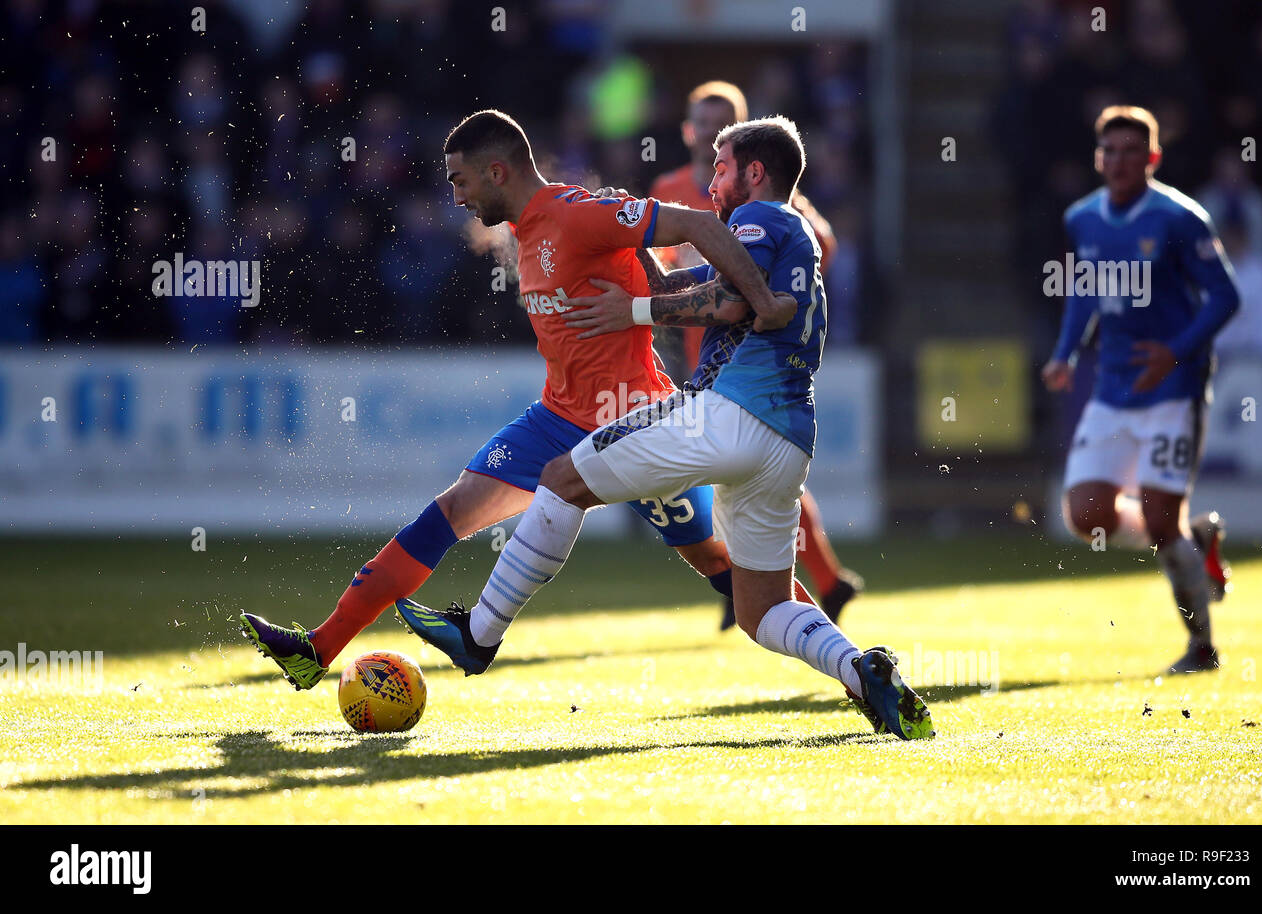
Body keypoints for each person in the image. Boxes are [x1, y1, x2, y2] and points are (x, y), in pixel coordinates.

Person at [397, 116, 935, 740]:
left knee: (561, 477)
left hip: (728, 415)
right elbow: (707, 285)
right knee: (761, 609)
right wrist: (630, 250)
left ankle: (477, 635)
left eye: (723, 166)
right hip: (786, 442)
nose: (712, 179)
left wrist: (631, 308)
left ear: (756, 174)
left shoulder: (759, 220)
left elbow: (731, 303)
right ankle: (861, 669)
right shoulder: (793, 234)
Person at [239, 109, 807, 690]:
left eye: (461, 181)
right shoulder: (527, 228)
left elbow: (698, 226)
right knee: (450, 513)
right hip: (556, 418)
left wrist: (762, 300)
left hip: (632, 419)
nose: (456, 196)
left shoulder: (577, 213)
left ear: (497, 171)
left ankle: (847, 666)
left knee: (728, 567)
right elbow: (642, 273)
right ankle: (318, 647)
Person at [649, 79, 862, 629]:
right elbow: (662, 265)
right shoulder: (670, 186)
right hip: (698, 345)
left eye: (721, 117)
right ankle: (800, 584)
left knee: (753, 475)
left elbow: (820, 246)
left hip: (752, 351)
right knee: (747, 476)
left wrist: (775, 294)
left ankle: (774, 581)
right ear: (687, 128)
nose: (705, 130)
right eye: (701, 117)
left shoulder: (761, 197)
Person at [1041, 106, 1239, 674]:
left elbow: (1226, 297)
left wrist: (1176, 350)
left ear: (1153, 158)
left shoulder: (1179, 218)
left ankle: (1202, 647)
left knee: (1158, 520)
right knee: (1086, 515)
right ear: (1098, 157)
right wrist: (1066, 353)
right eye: (1110, 151)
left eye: (1132, 151)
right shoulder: (1082, 217)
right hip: (1112, 386)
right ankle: (1194, 540)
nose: (1119, 161)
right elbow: (1084, 289)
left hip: (1174, 386)